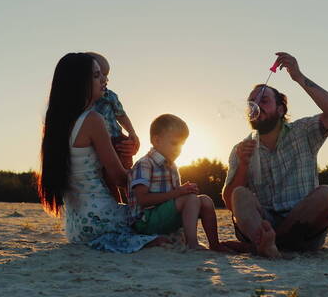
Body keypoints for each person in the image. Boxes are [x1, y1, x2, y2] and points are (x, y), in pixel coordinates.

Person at [222, 52, 328, 258]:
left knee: (327, 194)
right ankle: (267, 244)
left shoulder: (304, 131)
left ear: (280, 110)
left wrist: (298, 76)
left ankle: (270, 245)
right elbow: (230, 203)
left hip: (303, 227)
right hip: (261, 225)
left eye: (264, 100)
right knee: (239, 194)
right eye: (251, 102)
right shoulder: (242, 148)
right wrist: (243, 165)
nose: (256, 105)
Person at [38, 53, 161, 253]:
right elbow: (119, 178)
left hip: (76, 228)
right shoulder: (93, 120)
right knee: (172, 216)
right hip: (101, 220)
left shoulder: (57, 123)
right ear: (80, 82)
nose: (104, 80)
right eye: (96, 76)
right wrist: (149, 174)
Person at [128, 114, 229, 251]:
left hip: (164, 217)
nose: (178, 149)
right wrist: (180, 192)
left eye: (182, 144)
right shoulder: (145, 164)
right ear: (157, 141)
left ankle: (215, 244)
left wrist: (185, 191)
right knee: (190, 199)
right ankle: (192, 243)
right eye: (174, 143)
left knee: (205, 200)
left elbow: (176, 198)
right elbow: (142, 200)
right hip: (145, 221)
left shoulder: (172, 167)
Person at [86, 52, 139, 204]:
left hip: (117, 140)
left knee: (126, 174)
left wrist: (132, 132)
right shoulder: (84, 104)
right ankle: (117, 204)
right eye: (99, 74)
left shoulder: (110, 96)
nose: (106, 79)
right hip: (99, 143)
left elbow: (121, 115)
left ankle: (133, 204)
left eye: (106, 75)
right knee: (107, 178)